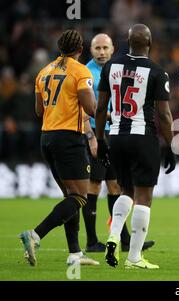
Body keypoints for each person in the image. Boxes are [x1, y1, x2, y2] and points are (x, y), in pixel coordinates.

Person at [96, 24, 176, 269]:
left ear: (127, 42)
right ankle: (133, 257)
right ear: (150, 43)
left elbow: (100, 109)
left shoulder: (110, 67)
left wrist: (100, 140)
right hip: (143, 137)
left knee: (125, 190)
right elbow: (164, 115)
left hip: (117, 137)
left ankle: (113, 236)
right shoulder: (157, 72)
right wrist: (170, 146)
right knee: (144, 196)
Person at [19, 29, 99, 266]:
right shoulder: (80, 71)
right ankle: (34, 235)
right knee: (80, 197)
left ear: (59, 48)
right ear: (81, 50)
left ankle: (74, 253)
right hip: (69, 139)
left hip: (47, 138)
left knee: (69, 195)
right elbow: (91, 108)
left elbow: (38, 111)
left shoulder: (43, 72)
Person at [83, 33, 155, 253]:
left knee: (117, 186)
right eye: (97, 48)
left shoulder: (116, 68)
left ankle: (123, 239)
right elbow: (81, 110)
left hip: (115, 135)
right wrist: (92, 137)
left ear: (113, 49)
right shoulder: (86, 73)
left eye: (105, 48)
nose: (101, 52)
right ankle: (92, 240)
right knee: (94, 186)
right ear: (91, 50)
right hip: (96, 136)